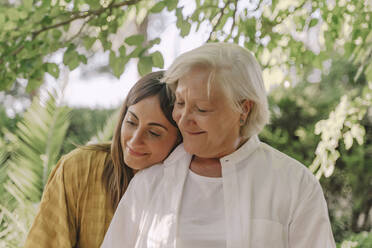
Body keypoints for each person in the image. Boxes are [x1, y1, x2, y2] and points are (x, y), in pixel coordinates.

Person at [102, 43, 336, 248]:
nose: (183, 119)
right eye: (180, 103)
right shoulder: (149, 183)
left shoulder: (295, 184)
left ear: (244, 110)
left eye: (201, 109)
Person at [24, 71, 181, 248]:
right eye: (131, 122)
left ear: (179, 140)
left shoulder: (190, 186)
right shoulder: (80, 168)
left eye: (153, 133)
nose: (135, 140)